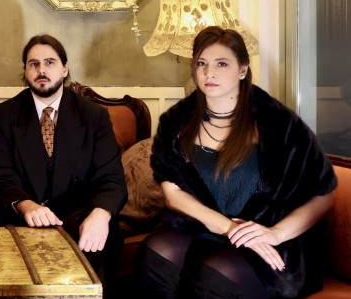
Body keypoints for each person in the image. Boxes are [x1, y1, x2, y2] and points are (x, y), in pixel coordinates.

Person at [134, 26, 337, 298]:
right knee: (155, 256)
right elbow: (173, 194)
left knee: (213, 276)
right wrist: (228, 227)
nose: (209, 73)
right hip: (204, 227)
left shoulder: (280, 124)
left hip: (263, 235)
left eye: (222, 64)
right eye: (202, 64)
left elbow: (323, 195)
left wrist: (275, 234)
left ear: (242, 70)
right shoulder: (175, 121)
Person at [0, 34, 127, 287]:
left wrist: (100, 215)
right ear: (25, 71)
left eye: (50, 62)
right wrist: (26, 205)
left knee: (106, 233)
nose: (42, 70)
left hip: (76, 213)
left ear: (64, 68)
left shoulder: (94, 117)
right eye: (33, 64)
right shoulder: (3, 116)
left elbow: (111, 178)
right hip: (20, 212)